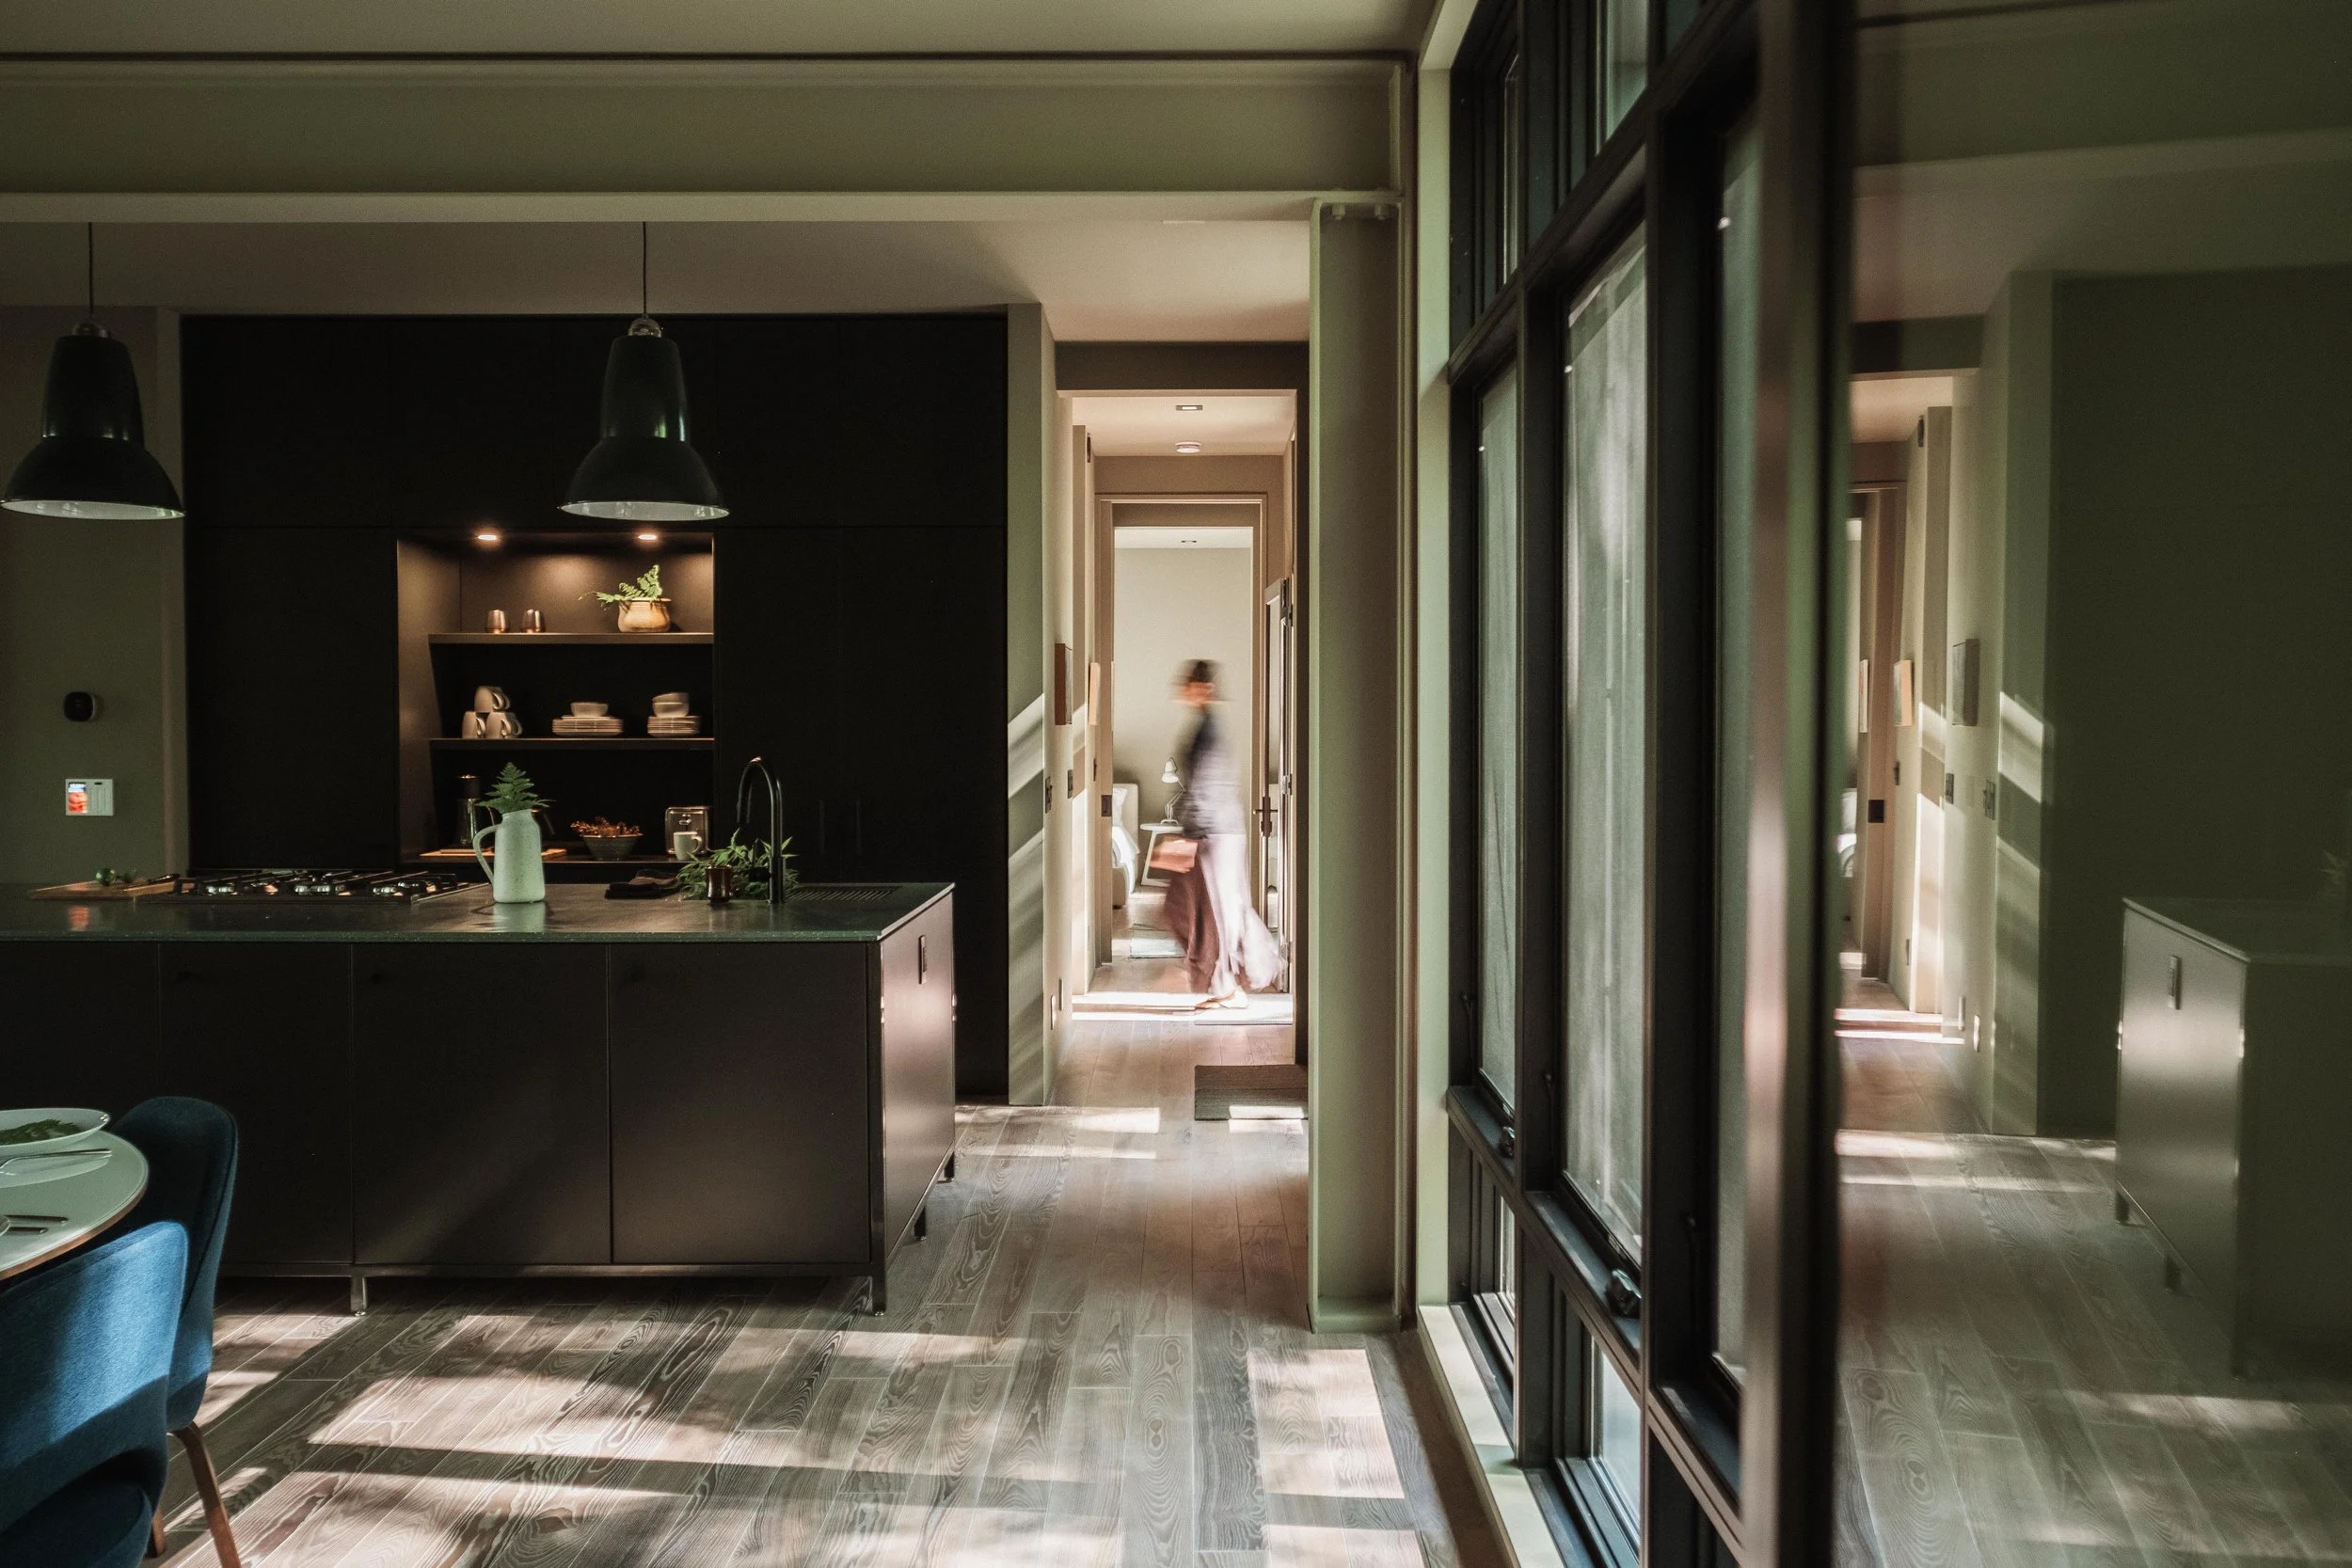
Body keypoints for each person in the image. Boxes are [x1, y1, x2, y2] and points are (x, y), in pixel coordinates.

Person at [1158, 659, 1279, 1007]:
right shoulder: (1205, 728)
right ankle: (1226, 982)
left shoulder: (1209, 732)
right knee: (1209, 910)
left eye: (1190, 684)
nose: (1183, 690)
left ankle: (1232, 984)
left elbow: (1205, 788)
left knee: (1216, 912)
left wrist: (1187, 838)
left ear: (1204, 688)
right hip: (1217, 832)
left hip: (1214, 834)